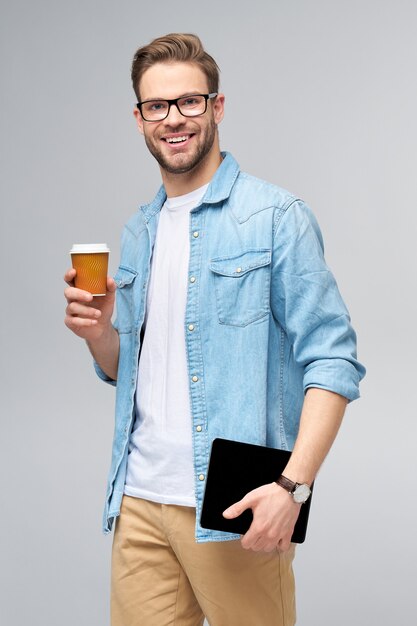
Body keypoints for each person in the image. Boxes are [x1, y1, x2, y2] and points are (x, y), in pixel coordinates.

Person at [64, 33, 365, 626]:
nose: (173, 119)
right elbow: (138, 369)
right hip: (140, 504)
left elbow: (334, 361)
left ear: (217, 107)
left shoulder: (277, 217)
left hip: (233, 501)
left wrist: (292, 488)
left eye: (189, 102)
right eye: (157, 106)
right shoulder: (140, 230)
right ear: (140, 118)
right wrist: (100, 333)